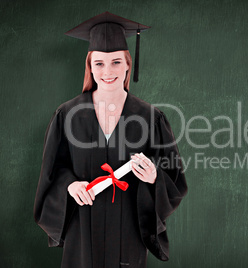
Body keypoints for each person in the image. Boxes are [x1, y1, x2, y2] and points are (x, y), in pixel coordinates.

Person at [33, 12, 187, 268]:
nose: (108, 71)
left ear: (128, 63)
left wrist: (153, 177)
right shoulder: (67, 115)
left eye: (116, 62)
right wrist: (71, 186)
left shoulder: (150, 118)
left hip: (128, 232)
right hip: (81, 229)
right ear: (90, 67)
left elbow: (174, 179)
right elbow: (54, 171)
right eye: (99, 64)